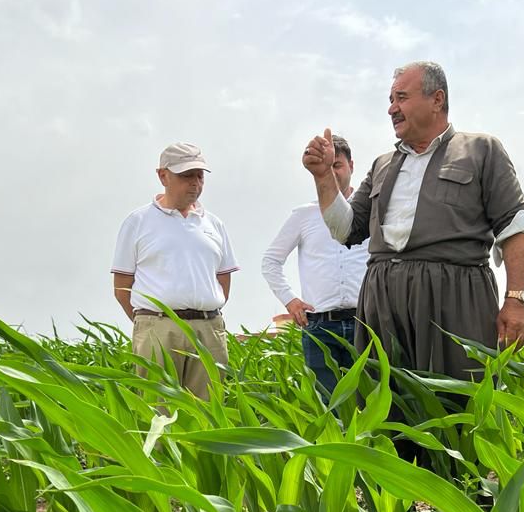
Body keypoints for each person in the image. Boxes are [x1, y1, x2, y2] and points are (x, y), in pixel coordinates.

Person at [302, 61, 524, 382]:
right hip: (383, 303)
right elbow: (345, 230)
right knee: (388, 406)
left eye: (401, 98)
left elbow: (516, 226)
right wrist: (323, 177)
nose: (391, 109)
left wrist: (517, 300)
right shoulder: (382, 165)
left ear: (437, 100)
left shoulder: (481, 150)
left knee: (459, 402)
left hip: (455, 300)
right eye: (390, 100)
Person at [112, 142, 239, 399]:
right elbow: (122, 286)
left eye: (199, 176)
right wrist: (147, 323)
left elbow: (223, 278)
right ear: (163, 175)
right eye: (186, 176)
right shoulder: (138, 222)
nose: (194, 183)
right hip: (158, 327)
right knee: (159, 411)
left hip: (208, 328)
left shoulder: (214, 224)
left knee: (208, 412)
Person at [262, 134, 369, 391]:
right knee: (327, 408)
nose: (332, 173)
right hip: (321, 327)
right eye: (328, 166)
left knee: (368, 402)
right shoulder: (304, 215)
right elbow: (271, 261)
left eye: (337, 165)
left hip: (365, 324)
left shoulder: (370, 212)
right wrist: (290, 300)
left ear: (351, 167)